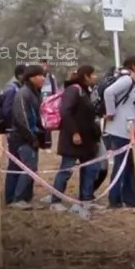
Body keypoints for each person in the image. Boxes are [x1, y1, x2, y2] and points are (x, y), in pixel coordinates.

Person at [50, 65, 101, 211]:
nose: (95, 77)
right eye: (93, 74)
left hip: (88, 140)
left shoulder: (87, 92)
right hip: (73, 139)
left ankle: (86, 199)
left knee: (90, 169)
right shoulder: (73, 90)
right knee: (66, 170)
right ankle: (55, 201)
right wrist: (74, 132)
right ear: (86, 76)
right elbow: (65, 111)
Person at [104, 55, 135, 209]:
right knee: (122, 166)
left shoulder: (131, 81)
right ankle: (115, 199)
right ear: (134, 66)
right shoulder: (126, 80)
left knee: (129, 166)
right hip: (121, 130)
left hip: (125, 130)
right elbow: (109, 92)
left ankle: (128, 198)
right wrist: (111, 112)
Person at [10, 65, 45, 209]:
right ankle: (18, 199)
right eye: (39, 75)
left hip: (33, 137)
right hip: (23, 138)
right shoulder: (23, 94)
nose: (43, 78)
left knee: (32, 168)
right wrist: (31, 137)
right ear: (31, 77)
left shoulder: (35, 93)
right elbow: (22, 119)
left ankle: (26, 199)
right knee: (29, 167)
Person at [3, 64, 27, 205]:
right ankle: (10, 196)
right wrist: (12, 126)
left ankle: (14, 195)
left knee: (18, 163)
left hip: (16, 131)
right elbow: (7, 111)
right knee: (15, 164)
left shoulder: (19, 88)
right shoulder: (12, 89)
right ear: (20, 75)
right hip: (14, 132)